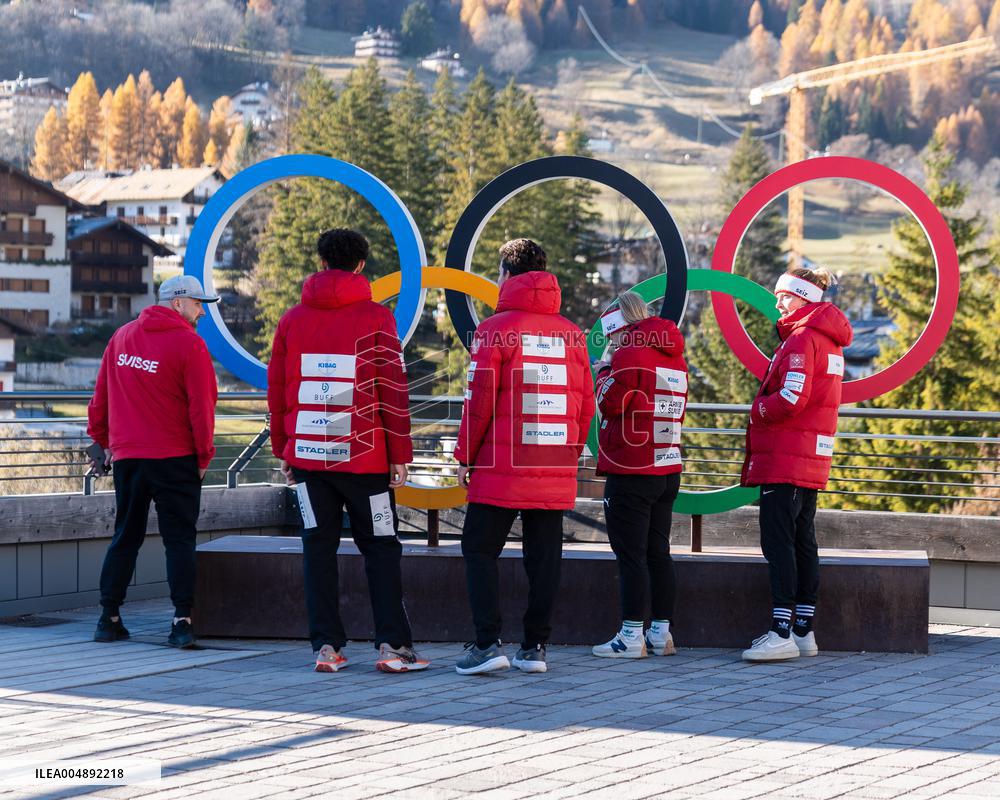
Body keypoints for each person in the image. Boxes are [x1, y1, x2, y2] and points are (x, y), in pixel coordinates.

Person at [267, 228, 428, 674]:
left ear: (321, 262)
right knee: (380, 547)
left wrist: (284, 448)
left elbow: (279, 389)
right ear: (360, 266)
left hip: (308, 462)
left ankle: (326, 648)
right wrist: (400, 453)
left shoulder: (292, 319)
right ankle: (393, 647)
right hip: (367, 462)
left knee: (316, 547)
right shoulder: (378, 317)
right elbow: (392, 389)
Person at [454, 238, 596, 676]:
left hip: (500, 463)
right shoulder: (572, 333)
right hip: (553, 459)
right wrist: (570, 453)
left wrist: (464, 455)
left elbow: (479, 402)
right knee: (545, 557)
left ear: (506, 275)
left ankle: (486, 644)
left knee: (478, 548)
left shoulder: (495, 330)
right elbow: (585, 403)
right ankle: (534, 648)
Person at [87, 274, 219, 649]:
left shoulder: (122, 337)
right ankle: (181, 621)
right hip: (175, 458)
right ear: (178, 303)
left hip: (128, 457)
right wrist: (204, 455)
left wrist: (101, 439)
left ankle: (108, 617)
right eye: (198, 304)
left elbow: (101, 397)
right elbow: (202, 408)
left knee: (124, 535)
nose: (202, 313)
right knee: (179, 541)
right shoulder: (190, 345)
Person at [740, 266, 853, 662]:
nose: (777, 302)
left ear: (803, 297)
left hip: (786, 457)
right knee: (803, 541)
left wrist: (757, 411)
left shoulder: (803, 339)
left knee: (779, 544)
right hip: (809, 459)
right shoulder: (829, 340)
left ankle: (781, 630)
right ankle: (803, 630)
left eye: (784, 296)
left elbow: (790, 398)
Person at [590, 291, 688, 659]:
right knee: (658, 553)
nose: (610, 342)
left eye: (610, 334)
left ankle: (630, 635)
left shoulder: (628, 354)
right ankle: (660, 632)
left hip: (631, 467)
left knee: (630, 555)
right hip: (666, 464)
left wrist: (603, 370)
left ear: (619, 326)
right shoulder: (674, 355)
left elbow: (607, 403)